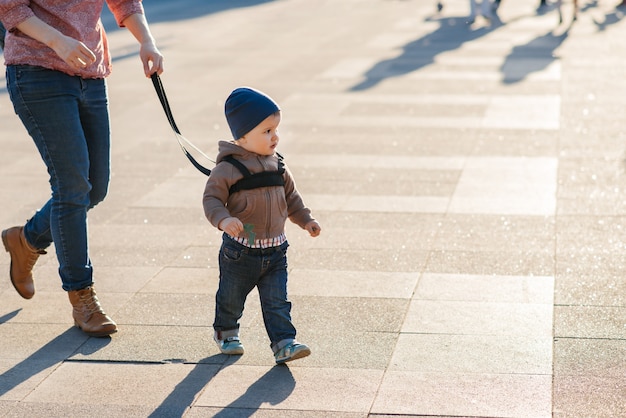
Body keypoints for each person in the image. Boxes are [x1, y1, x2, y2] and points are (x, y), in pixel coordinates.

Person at [0, 0, 164, 337]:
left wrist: (146, 40)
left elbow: (124, 2)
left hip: (90, 73)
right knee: (72, 187)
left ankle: (26, 238)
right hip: (36, 71)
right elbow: (11, 8)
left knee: (95, 186)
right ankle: (82, 296)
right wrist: (57, 40)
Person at [203, 87, 321, 364]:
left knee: (277, 301)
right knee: (231, 297)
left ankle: (284, 343)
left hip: (276, 251)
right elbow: (212, 200)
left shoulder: (278, 165)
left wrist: (306, 220)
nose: (275, 136)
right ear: (243, 136)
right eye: (266, 131)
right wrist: (224, 219)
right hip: (240, 252)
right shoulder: (228, 169)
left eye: (276, 129)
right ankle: (226, 332)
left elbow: (292, 198)